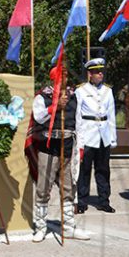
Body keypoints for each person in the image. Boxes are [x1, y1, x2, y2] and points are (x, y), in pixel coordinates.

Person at [31, 66, 89, 242]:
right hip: (49, 145)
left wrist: (81, 146)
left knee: (68, 186)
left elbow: (79, 122)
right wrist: (55, 107)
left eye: (65, 74)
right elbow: (39, 116)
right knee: (43, 187)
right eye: (61, 74)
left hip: (68, 143)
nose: (64, 77)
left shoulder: (74, 96)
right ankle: (41, 227)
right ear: (53, 77)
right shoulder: (43, 96)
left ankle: (69, 227)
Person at [75, 58, 117, 214]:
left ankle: (103, 200)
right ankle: (81, 201)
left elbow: (111, 115)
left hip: (103, 135)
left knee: (103, 170)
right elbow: (78, 117)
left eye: (101, 71)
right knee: (84, 170)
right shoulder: (81, 91)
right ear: (89, 74)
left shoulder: (108, 90)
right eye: (96, 72)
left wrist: (112, 138)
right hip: (88, 134)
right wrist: (79, 140)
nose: (100, 74)